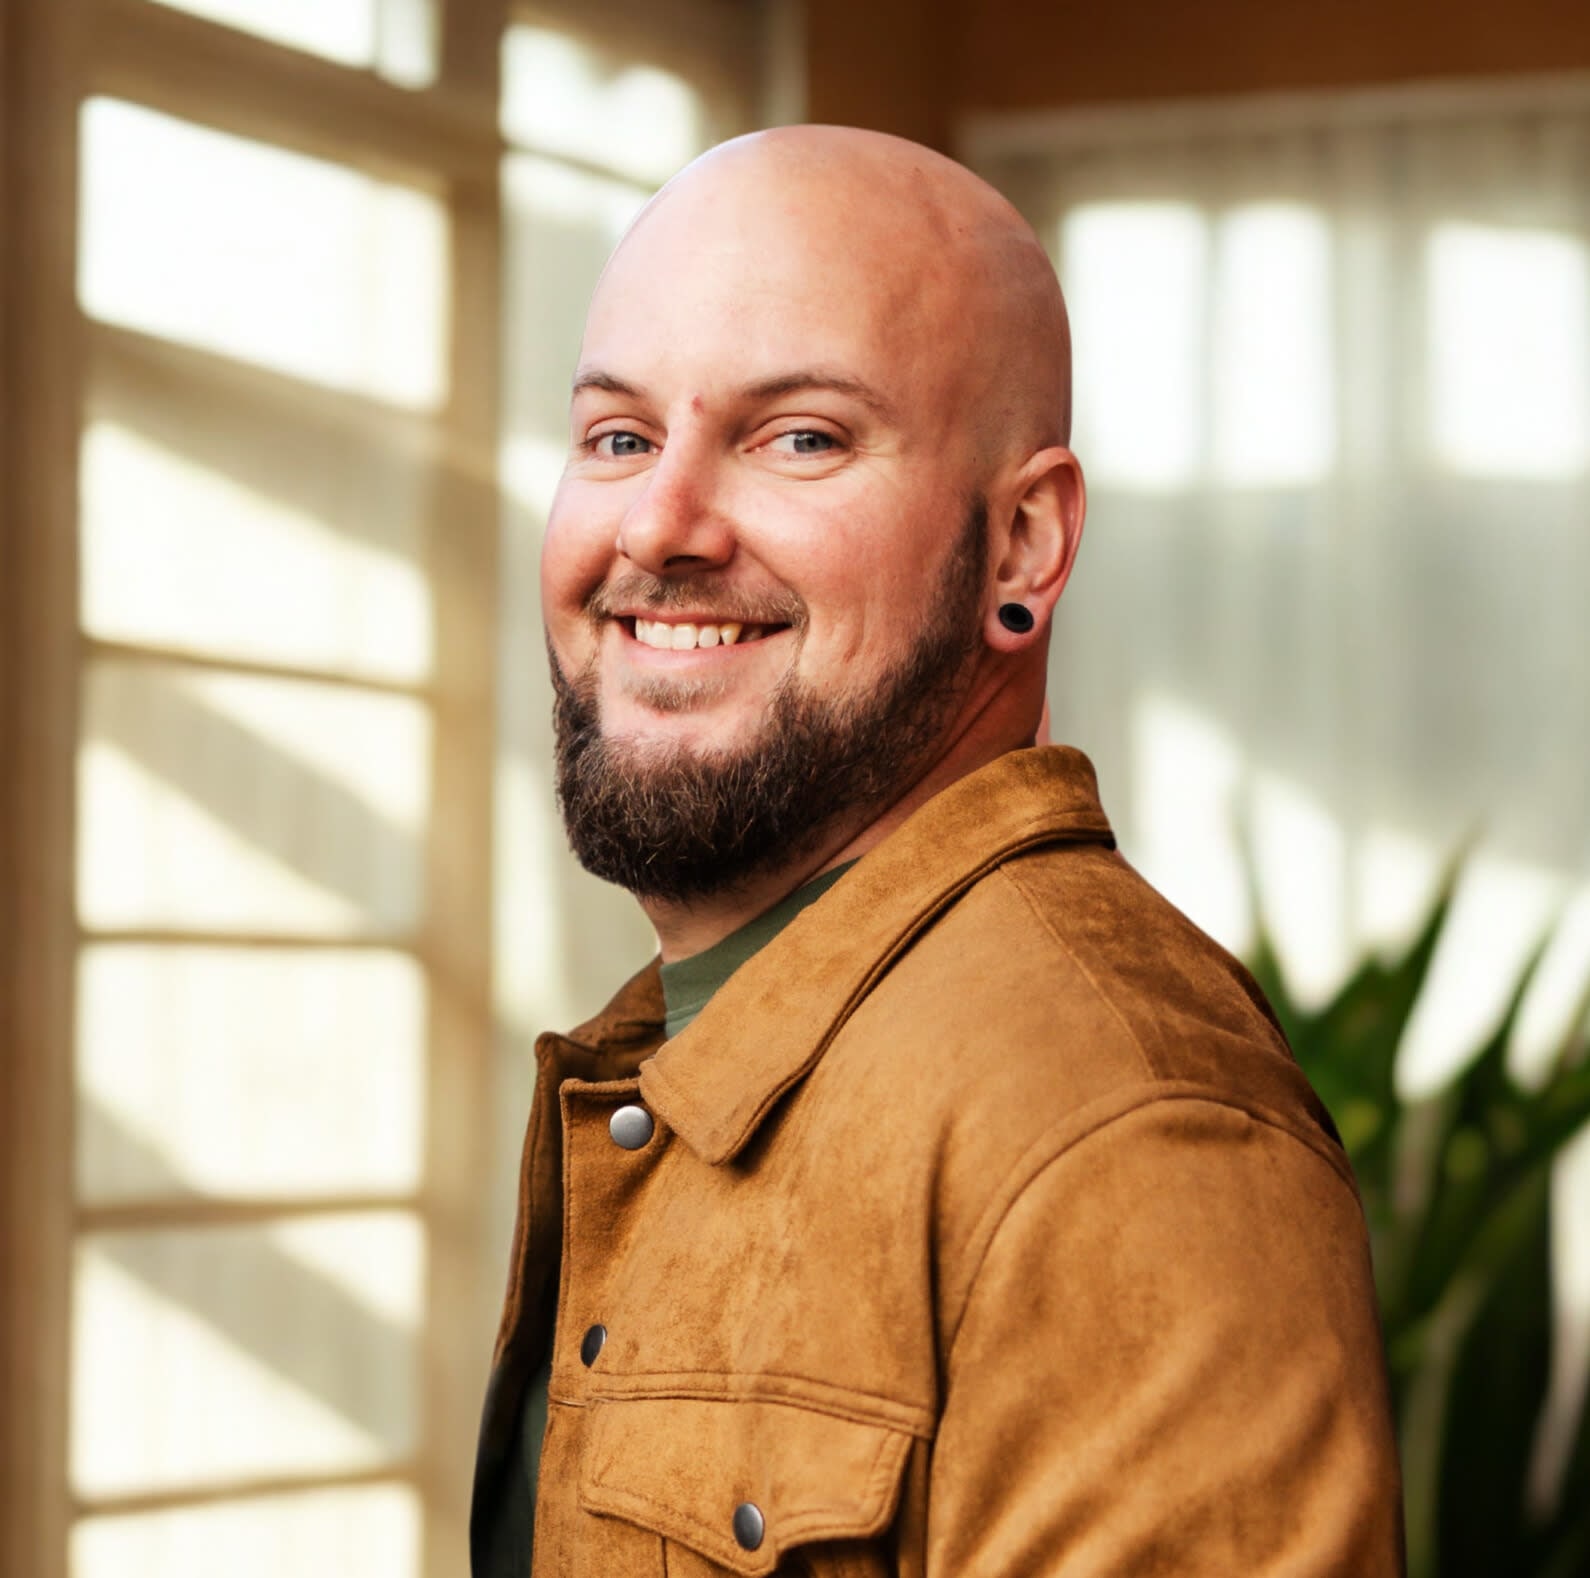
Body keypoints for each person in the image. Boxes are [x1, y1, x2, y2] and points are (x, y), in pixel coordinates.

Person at [471, 125, 1405, 1577]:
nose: (659, 523)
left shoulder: (1125, 1141)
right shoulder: (712, 1038)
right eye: (618, 437)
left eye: (799, 438)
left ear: (1023, 546)